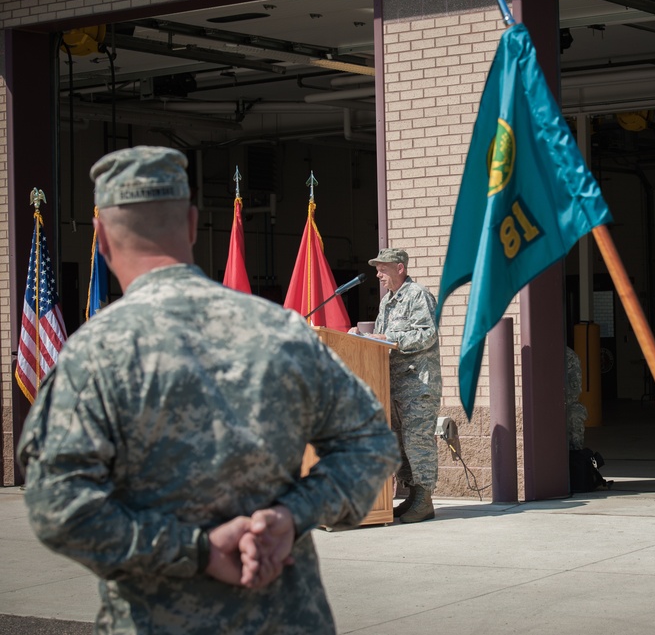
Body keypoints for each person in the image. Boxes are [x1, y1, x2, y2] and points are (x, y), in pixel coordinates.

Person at [17, 146, 400, 634]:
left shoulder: (93, 354)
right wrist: (292, 515)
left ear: (101, 238)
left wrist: (195, 551)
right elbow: (373, 443)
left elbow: (57, 504)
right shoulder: (281, 332)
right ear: (194, 225)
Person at [356, 248, 442, 523]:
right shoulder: (387, 302)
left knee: (418, 441)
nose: (379, 275)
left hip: (418, 383)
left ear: (400, 268)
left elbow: (427, 334)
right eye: (377, 270)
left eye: (383, 269)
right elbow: (380, 339)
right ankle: (412, 496)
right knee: (403, 443)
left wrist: (386, 337)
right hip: (393, 384)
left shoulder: (418, 294)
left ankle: (424, 498)